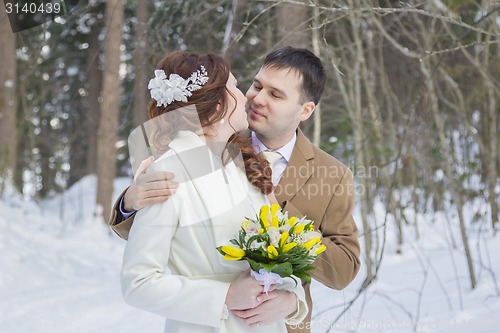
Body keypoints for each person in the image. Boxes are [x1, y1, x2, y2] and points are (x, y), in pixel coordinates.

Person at [110, 47, 361, 333]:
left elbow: (343, 270)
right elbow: (157, 246)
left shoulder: (333, 175)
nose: (256, 98)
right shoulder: (208, 149)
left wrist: (293, 299)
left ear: (305, 110)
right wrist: (129, 203)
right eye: (255, 86)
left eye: (276, 94)